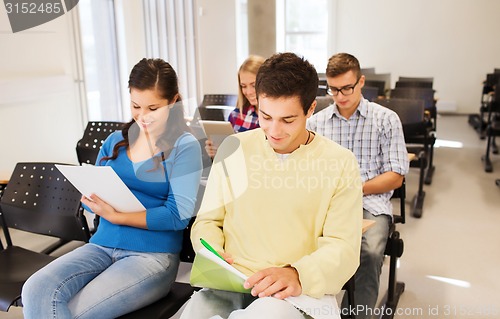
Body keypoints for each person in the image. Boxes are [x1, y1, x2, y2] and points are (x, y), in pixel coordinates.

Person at [180, 52, 363, 318]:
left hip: (290, 294)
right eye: (266, 117)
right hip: (230, 281)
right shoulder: (235, 148)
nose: (274, 131)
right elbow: (208, 221)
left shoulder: (340, 163)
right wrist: (211, 250)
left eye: (288, 120)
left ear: (310, 108)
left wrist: (297, 273)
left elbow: (343, 248)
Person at [21, 58, 203, 318]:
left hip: (152, 256)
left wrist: (118, 216)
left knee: (71, 313)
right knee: (35, 291)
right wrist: (91, 201)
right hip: (101, 245)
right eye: (136, 106)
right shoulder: (114, 141)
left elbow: (177, 216)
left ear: (173, 102)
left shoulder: (185, 146)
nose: (143, 116)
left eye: (154, 108)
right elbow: (88, 196)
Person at [307, 53, 410, 319]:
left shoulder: (386, 119)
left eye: (347, 88)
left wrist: (354, 189)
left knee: (370, 251)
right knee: (302, 245)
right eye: (333, 89)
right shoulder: (316, 123)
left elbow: (396, 175)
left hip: (370, 203)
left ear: (361, 82)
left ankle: (356, 315)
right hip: (325, 204)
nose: (340, 96)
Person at [205, 55, 265, 158]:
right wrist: (216, 152)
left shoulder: (276, 119)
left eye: (253, 85)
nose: (248, 92)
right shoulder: (236, 116)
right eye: (244, 86)